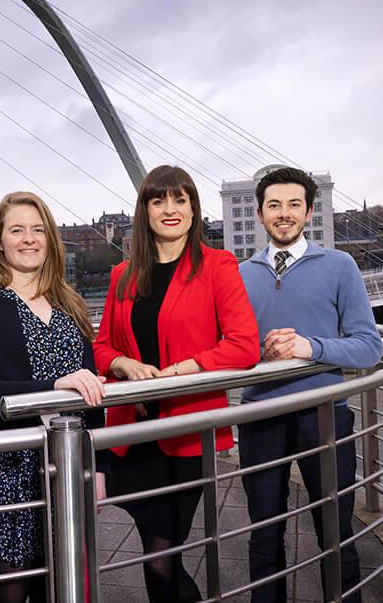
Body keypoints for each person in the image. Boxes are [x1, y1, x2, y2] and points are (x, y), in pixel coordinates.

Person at [93, 165, 260, 603]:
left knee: (161, 558)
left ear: (193, 209)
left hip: (185, 435)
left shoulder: (218, 267)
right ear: (144, 211)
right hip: (133, 437)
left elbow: (245, 346)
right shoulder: (122, 276)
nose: (170, 209)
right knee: (156, 553)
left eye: (179, 199)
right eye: (158, 200)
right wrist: (125, 363)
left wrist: (184, 368)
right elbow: (102, 348)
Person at [0, 191, 108, 603]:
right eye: (17, 229)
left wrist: (100, 469)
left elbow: (90, 389)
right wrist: (55, 385)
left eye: (38, 229)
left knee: (59, 588)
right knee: (8, 595)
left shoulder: (69, 303)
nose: (29, 238)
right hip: (4, 472)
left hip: (66, 469)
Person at [237, 166, 383, 603]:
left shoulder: (340, 266)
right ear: (260, 214)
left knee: (335, 533)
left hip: (325, 415)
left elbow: (368, 347)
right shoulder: (239, 275)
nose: (284, 214)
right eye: (275, 206)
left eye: (294, 205)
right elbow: (225, 347)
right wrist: (254, 352)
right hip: (258, 416)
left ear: (309, 211)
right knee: (264, 534)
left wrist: (309, 347)